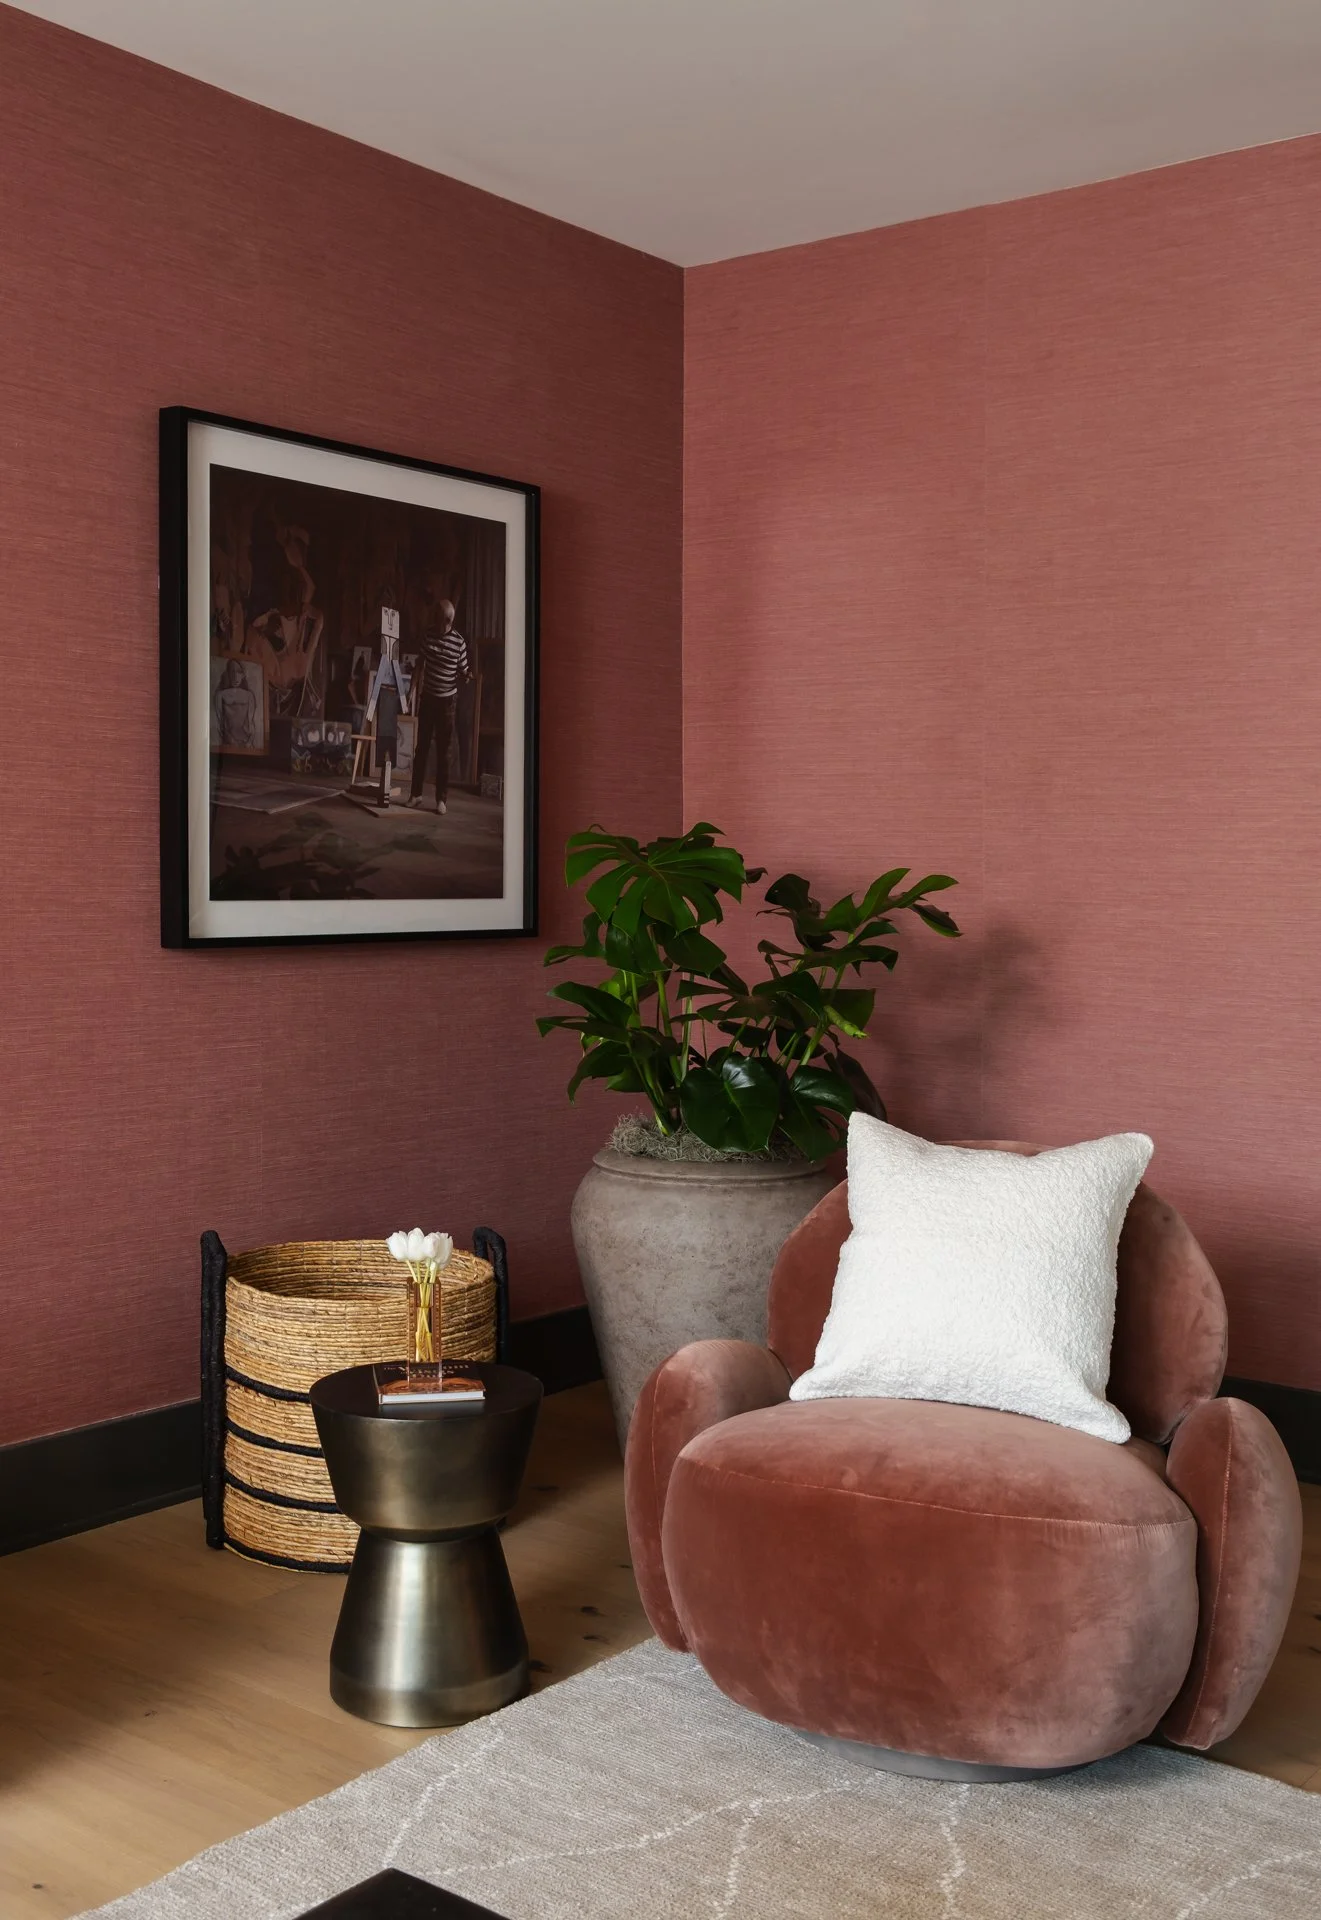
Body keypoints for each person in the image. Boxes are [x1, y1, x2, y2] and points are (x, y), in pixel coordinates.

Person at [408, 592, 470, 814]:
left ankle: (441, 800)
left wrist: (467, 675)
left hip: (446, 703)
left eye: (437, 615)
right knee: (421, 748)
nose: (433, 617)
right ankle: (415, 795)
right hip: (428, 699)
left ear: (447, 621)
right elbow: (420, 664)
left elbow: (464, 670)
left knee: (445, 752)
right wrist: (411, 689)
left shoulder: (459, 643)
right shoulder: (428, 635)